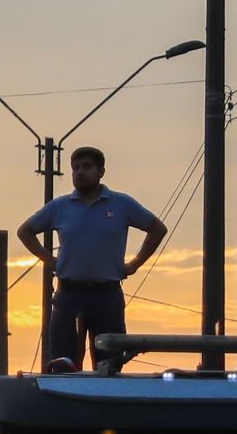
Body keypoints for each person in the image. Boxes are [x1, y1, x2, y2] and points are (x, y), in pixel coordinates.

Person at [17, 146, 168, 370]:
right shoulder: (61, 206)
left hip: (106, 295)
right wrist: (49, 260)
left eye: (86, 167)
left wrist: (135, 263)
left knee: (109, 364)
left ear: (101, 172)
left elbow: (157, 228)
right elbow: (25, 231)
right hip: (69, 294)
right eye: (75, 168)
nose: (80, 172)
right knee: (62, 365)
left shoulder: (121, 204)